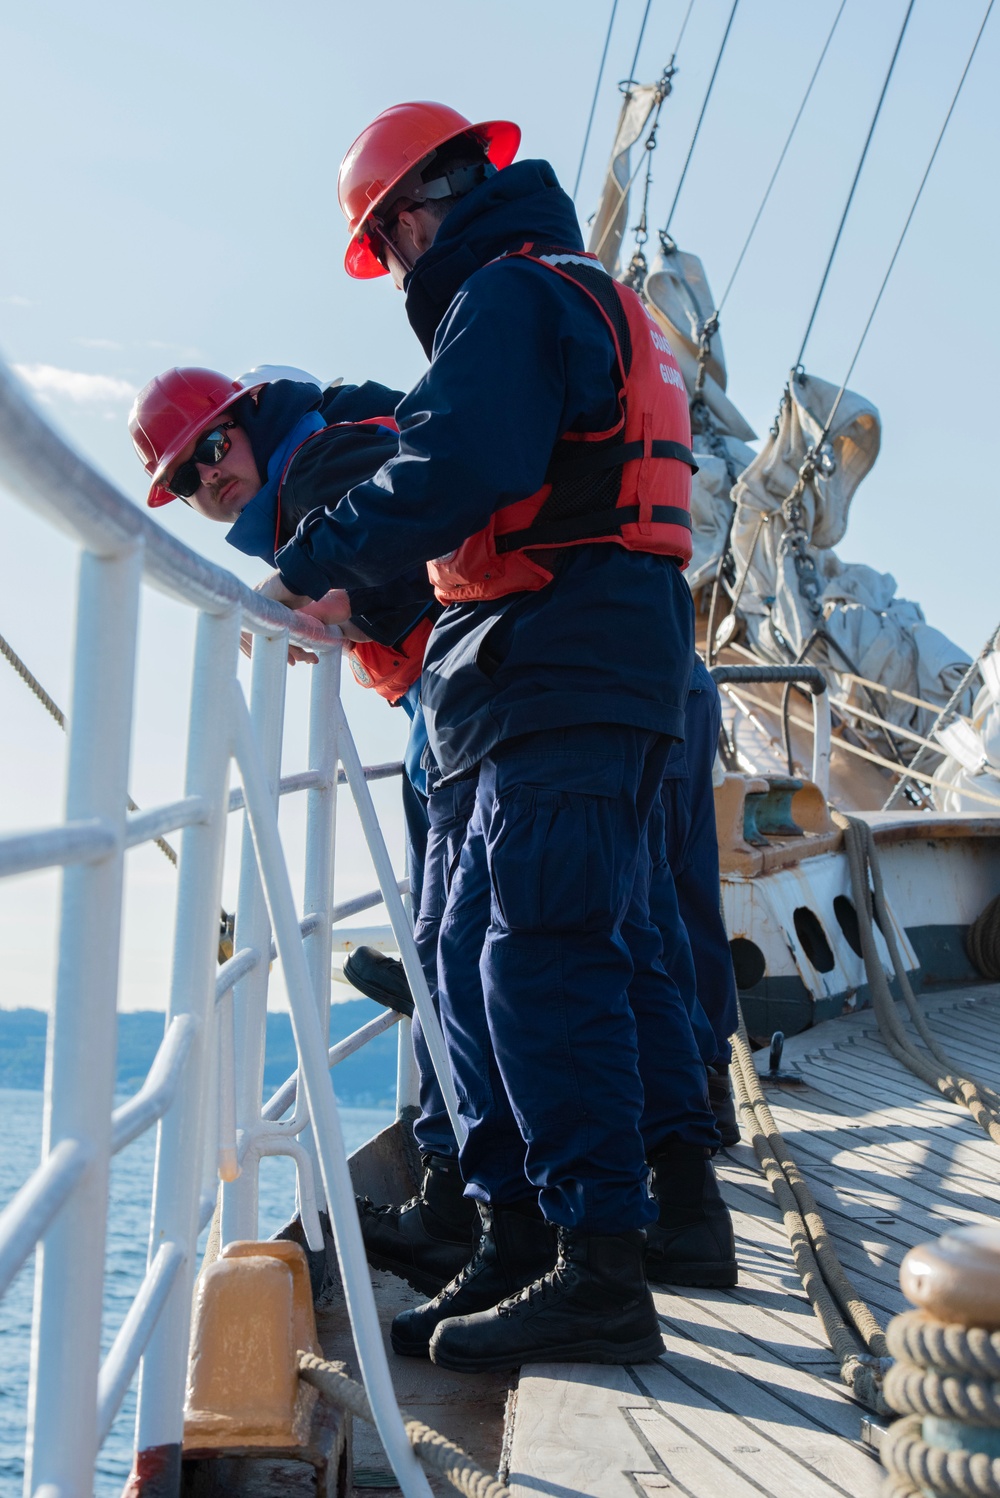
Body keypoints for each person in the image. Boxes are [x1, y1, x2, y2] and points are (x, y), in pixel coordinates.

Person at [254, 101, 735, 1371]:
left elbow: (461, 465)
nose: (401, 273)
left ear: (417, 215)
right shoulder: (554, 298)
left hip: (562, 667)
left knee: (539, 955)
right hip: (538, 673)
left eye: (392, 246)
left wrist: (309, 565)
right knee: (470, 954)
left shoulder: (513, 300)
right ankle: (518, 1235)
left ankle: (598, 1269)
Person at [128, 365, 485, 1289]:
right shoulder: (312, 483)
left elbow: (424, 533)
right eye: (186, 479)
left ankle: (471, 1200)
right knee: (456, 948)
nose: (210, 478)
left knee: (464, 949)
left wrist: (319, 592)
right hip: (452, 714)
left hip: (471, 709)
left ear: (248, 420)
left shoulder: (324, 471)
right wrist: (328, 599)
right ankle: (474, 1186)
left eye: (212, 447)